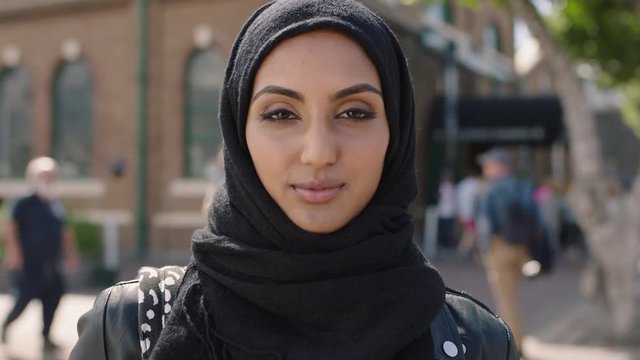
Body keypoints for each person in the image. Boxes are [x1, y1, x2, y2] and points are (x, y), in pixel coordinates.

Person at [70, 1, 519, 359]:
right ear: (238, 133)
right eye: (281, 113)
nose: (319, 152)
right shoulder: (132, 328)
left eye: (355, 112)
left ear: (396, 132)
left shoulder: (476, 343)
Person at [1, 156, 78, 350]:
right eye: (45, 175)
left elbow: (64, 231)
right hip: (29, 263)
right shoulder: (24, 201)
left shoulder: (54, 204)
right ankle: (6, 326)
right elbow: (11, 227)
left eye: (53, 176)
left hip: (51, 262)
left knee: (54, 295)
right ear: (33, 177)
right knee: (23, 298)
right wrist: (14, 253)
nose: (49, 180)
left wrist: (70, 254)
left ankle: (46, 336)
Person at [475, 147, 540, 353]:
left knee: (507, 300)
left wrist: (483, 249)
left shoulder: (490, 189)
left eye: (488, 164)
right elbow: (538, 220)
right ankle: (518, 339)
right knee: (515, 298)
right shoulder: (524, 186)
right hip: (523, 248)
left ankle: (515, 346)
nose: (485, 168)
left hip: (499, 247)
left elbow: (485, 224)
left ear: (498, 166)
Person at [455, 169, 481, 258]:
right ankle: (463, 251)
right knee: (471, 233)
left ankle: (474, 253)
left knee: (470, 232)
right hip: (471, 213)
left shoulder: (461, 185)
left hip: (463, 213)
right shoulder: (474, 185)